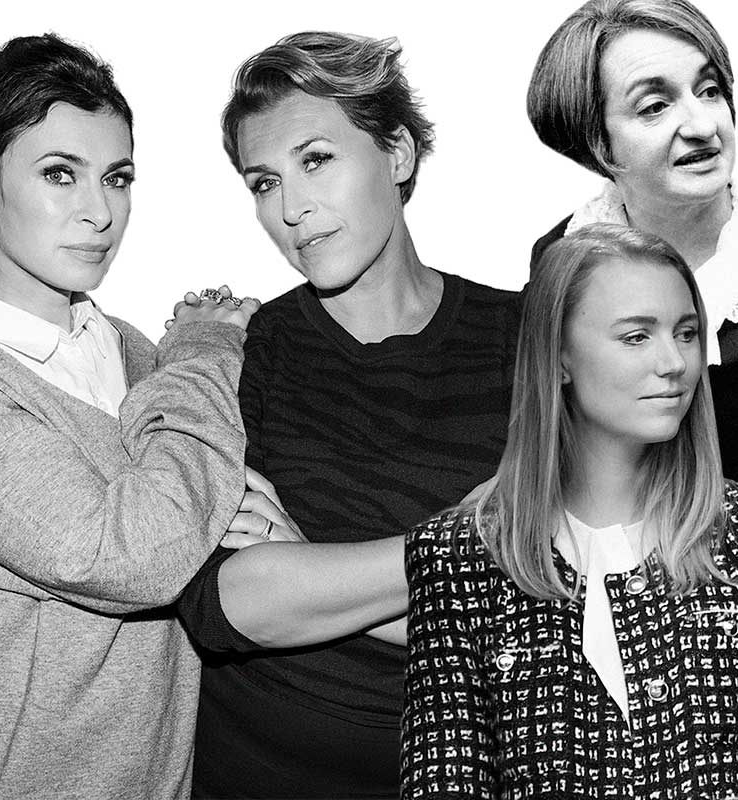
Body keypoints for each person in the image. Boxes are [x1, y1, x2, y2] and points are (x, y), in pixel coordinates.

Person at [0, 35, 265, 800]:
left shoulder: (134, 352)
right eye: (60, 174)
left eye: (116, 178)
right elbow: (130, 556)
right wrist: (203, 354)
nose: (99, 213)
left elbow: (219, 514)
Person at [175, 31, 523, 798]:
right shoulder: (248, 352)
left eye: (316, 159)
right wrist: (458, 548)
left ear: (396, 153)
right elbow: (223, 604)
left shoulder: (526, 338)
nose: (291, 208)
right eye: (264, 182)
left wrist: (307, 563)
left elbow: (549, 627)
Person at [402, 223, 738, 798]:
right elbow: (445, 781)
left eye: (686, 333)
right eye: (636, 336)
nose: (674, 362)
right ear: (558, 356)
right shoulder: (455, 558)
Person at [526, 0, 738, 478]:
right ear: (596, 142)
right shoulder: (562, 257)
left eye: (709, 91)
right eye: (655, 106)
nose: (703, 126)